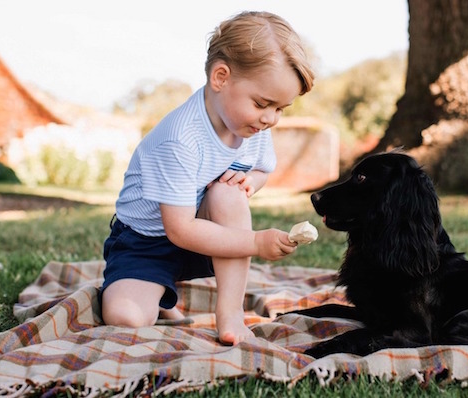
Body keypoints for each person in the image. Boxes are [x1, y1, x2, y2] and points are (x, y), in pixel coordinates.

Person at [100, 11, 315, 346]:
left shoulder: (251, 125)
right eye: (263, 103)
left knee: (229, 195)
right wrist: (257, 243)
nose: (271, 118)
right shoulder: (180, 139)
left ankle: (229, 314)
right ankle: (155, 291)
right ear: (220, 77)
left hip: (206, 233)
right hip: (147, 242)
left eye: (280, 109)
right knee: (126, 318)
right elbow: (180, 229)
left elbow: (261, 169)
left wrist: (249, 184)